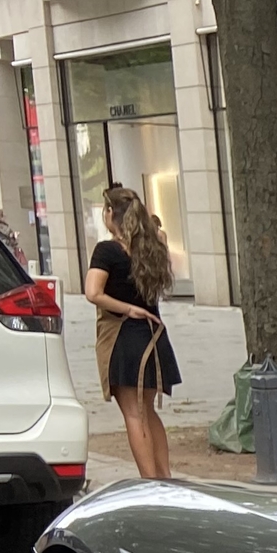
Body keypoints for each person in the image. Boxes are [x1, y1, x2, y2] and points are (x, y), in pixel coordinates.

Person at [84, 183, 181, 482]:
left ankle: (149, 481)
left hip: (124, 338)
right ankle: (164, 476)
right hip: (154, 335)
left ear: (111, 213)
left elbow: (92, 292)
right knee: (148, 411)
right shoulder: (150, 248)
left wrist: (126, 308)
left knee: (134, 413)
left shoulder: (108, 250)